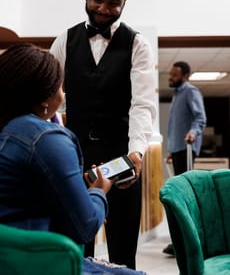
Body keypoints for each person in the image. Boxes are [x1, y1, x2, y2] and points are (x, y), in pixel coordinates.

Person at [0, 43, 147, 275]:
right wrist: (98, 191)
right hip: (41, 259)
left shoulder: (8, 130)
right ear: (45, 97)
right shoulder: (48, 138)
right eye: (61, 84)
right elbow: (85, 226)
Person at [50, 0, 156, 269]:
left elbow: (143, 106)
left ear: (124, 2)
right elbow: (49, 98)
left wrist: (135, 152)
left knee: (123, 252)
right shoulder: (64, 40)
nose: (103, 8)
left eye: (114, 2)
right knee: (74, 249)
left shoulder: (137, 44)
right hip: (74, 160)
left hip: (122, 161)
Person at [163, 61, 206, 255]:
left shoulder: (191, 91)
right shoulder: (177, 95)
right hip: (178, 149)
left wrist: (193, 133)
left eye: (174, 75)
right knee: (179, 195)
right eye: (170, 74)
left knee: (184, 196)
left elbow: (200, 118)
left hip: (187, 148)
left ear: (185, 76)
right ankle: (181, 239)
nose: (170, 77)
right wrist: (172, 149)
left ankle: (188, 241)